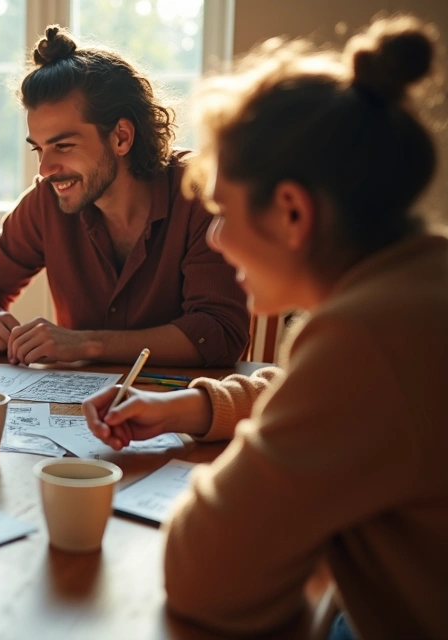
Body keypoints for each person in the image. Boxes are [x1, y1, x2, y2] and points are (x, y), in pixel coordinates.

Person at [81, 16, 447, 639]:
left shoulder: (365, 336)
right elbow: (307, 391)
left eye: (222, 211)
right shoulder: (418, 285)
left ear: (293, 213)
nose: (216, 239)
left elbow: (202, 571)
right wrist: (189, 408)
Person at [0, 25, 248, 368]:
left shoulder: (199, 194)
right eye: (39, 149)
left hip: (181, 410)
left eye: (63, 145)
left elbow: (218, 333)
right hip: (78, 411)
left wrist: (86, 344)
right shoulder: (48, 200)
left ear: (121, 137)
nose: (46, 168)